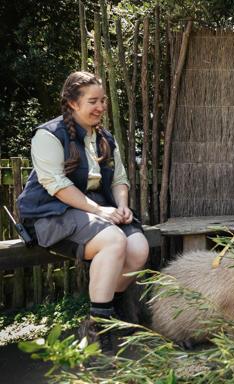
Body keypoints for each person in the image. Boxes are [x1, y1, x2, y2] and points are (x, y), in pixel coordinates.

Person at [17, 71, 149, 351]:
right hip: (52, 211)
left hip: (99, 209)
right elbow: (57, 184)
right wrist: (99, 210)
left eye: (103, 100)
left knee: (138, 250)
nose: (100, 107)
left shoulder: (105, 138)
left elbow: (119, 179)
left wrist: (122, 207)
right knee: (114, 241)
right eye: (93, 101)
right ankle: (97, 329)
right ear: (73, 103)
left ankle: (108, 311)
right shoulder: (48, 135)